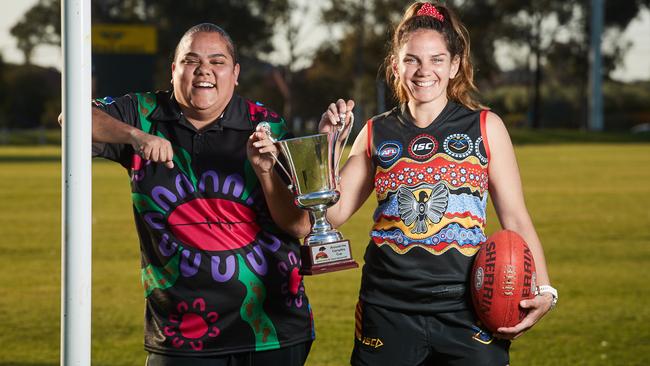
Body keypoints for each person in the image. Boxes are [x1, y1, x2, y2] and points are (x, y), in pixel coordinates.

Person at [317, 2, 557, 365]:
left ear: (455, 65)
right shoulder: (375, 131)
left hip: (467, 308)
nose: (423, 70)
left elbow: (517, 219)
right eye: (412, 59)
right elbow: (331, 214)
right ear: (396, 65)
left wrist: (545, 290)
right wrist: (330, 144)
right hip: (387, 308)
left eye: (437, 59)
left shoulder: (486, 127)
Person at [80, 23, 314, 365]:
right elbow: (72, 116)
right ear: (173, 69)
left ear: (235, 74)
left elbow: (300, 224)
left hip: (272, 330)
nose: (204, 69)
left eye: (217, 61)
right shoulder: (144, 115)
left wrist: (265, 169)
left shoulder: (267, 125)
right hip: (182, 336)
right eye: (191, 60)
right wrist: (135, 137)